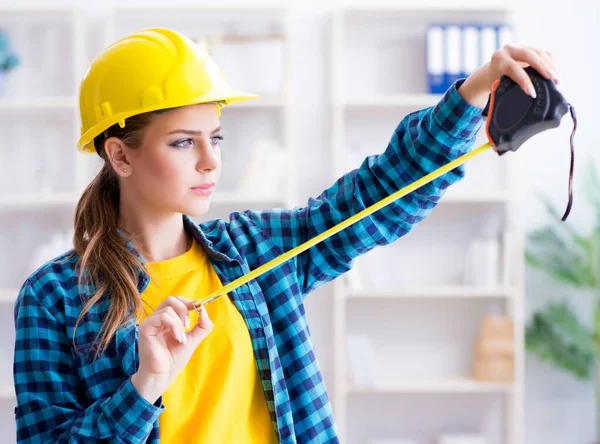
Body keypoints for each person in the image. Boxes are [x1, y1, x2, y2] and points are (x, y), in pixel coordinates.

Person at [12, 27, 558, 443]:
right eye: (182, 142)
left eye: (216, 138)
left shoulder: (255, 251)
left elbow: (379, 195)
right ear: (119, 154)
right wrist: (145, 385)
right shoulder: (55, 298)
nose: (210, 161)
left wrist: (473, 93)